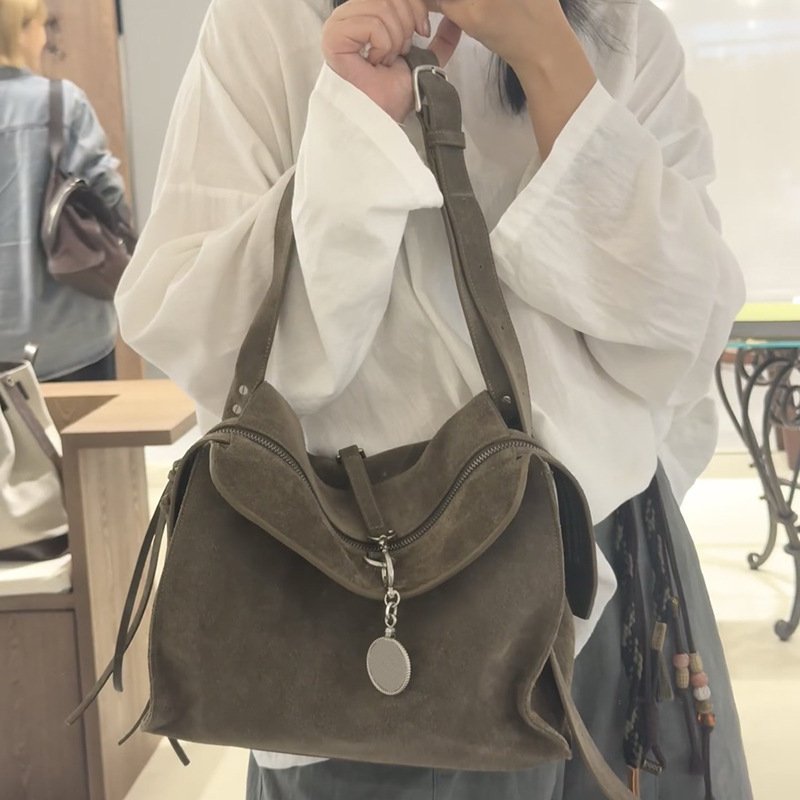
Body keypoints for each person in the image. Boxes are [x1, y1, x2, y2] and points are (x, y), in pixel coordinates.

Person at [116, 0, 753, 797]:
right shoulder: (269, 21)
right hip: (352, 596)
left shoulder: (617, 27)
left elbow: (685, 335)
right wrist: (354, 136)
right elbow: (206, 341)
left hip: (608, 576)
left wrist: (550, 62)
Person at [0, 0, 127, 381]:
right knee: (87, 423)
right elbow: (108, 198)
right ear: (21, 31)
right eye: (41, 26)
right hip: (71, 339)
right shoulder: (62, 103)